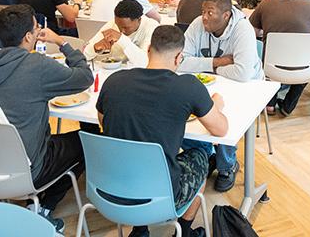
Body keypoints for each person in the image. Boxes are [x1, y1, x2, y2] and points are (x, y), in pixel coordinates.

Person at [97, 25, 228, 237]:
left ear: (148, 49)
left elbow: (104, 123)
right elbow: (221, 130)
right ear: (179, 57)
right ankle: (184, 232)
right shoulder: (188, 86)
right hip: (161, 194)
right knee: (202, 155)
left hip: (110, 186)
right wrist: (217, 106)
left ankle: (140, 230)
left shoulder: (115, 80)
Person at [0, 5, 93, 233]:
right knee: (85, 141)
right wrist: (62, 42)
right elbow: (85, 77)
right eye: (36, 28)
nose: (39, 31)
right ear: (29, 36)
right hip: (26, 171)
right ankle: (42, 209)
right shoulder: (37, 66)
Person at [179, 0, 262, 192]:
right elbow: (181, 61)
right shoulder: (198, 24)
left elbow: (242, 73)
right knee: (182, 113)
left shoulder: (243, 29)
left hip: (246, 86)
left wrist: (206, 66)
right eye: (203, 11)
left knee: (224, 118)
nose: (204, 17)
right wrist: (218, 62)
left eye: (210, 12)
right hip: (212, 83)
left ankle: (227, 166)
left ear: (226, 16)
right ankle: (205, 156)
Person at [84, 0, 158, 67]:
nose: (122, 31)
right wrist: (95, 48)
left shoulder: (151, 27)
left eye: (126, 27)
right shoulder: (113, 24)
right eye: (118, 26)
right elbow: (84, 55)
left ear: (139, 20)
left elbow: (145, 63)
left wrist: (122, 39)